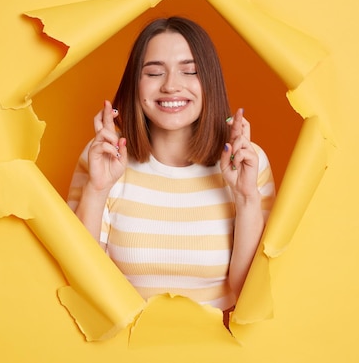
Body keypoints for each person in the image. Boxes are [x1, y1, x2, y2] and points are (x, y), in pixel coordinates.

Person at [67, 16, 275, 314]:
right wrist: (97, 189)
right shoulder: (103, 156)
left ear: (210, 82)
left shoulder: (247, 161)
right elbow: (82, 284)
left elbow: (249, 296)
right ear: (135, 86)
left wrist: (245, 198)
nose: (171, 86)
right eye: (153, 73)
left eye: (190, 71)